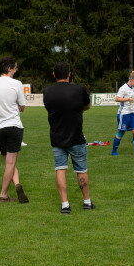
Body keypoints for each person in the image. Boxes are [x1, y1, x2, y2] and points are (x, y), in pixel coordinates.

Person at [43, 62, 95, 214]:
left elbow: (49, 108)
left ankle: (65, 205)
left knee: (60, 169)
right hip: (76, 137)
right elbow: (87, 106)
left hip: (57, 137)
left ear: (54, 75)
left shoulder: (48, 92)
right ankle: (87, 202)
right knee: (81, 170)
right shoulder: (79, 89)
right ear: (69, 74)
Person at [0, 57, 29, 203]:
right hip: (13, 125)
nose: (16, 71)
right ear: (10, 68)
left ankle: (17, 184)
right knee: (11, 163)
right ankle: (3, 194)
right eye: (15, 68)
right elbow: (22, 106)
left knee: (8, 163)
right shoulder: (16, 83)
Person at [110, 72, 134, 156]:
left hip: (132, 113)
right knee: (121, 132)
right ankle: (114, 151)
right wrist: (127, 99)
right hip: (124, 114)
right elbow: (117, 99)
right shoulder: (123, 88)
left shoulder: (132, 87)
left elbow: (133, 99)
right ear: (131, 79)